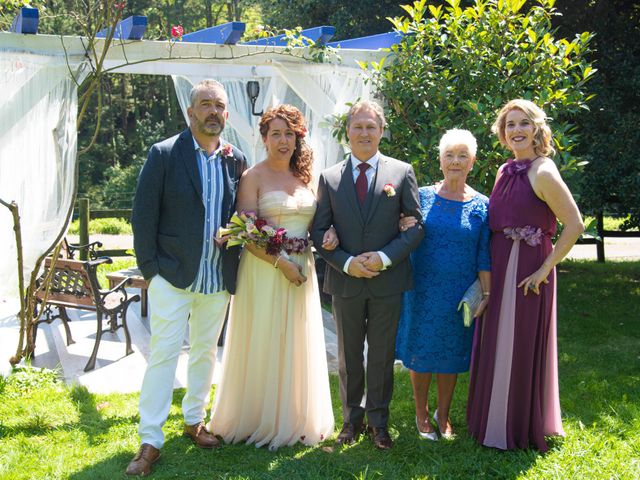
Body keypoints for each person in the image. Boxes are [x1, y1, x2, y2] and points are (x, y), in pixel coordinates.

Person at [127, 80, 248, 476]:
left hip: (217, 277)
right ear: (190, 112)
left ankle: (194, 420)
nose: (213, 111)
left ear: (226, 115)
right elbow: (143, 216)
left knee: (205, 352)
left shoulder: (236, 160)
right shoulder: (164, 154)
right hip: (173, 277)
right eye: (205, 104)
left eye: (220, 105)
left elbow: (242, 216)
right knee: (162, 354)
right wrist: (152, 273)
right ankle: (150, 440)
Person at [209, 105, 335, 450]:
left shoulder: (307, 177)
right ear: (264, 139)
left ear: (298, 138)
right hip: (265, 270)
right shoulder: (253, 177)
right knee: (264, 337)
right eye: (275, 134)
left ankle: (295, 416)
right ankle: (256, 416)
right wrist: (281, 263)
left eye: (289, 133)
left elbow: (318, 224)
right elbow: (247, 232)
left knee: (295, 338)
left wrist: (329, 236)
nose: (283, 140)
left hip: (301, 269)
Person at [467, 99, 584, 452]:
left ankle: (516, 423)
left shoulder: (544, 171)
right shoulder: (505, 170)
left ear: (536, 129)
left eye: (523, 123)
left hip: (529, 268)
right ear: (502, 134)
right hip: (501, 263)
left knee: (518, 341)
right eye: (509, 125)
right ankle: (492, 417)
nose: (516, 130)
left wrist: (545, 269)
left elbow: (574, 224)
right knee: (496, 339)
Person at [310, 100, 424, 450]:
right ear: (348, 132)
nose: (364, 133)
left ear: (381, 131)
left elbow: (415, 226)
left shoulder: (401, 172)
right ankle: (350, 421)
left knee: (381, 354)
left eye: (371, 127)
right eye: (358, 126)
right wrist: (345, 262)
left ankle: (379, 423)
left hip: (387, 280)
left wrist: (384, 258)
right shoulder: (329, 178)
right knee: (347, 356)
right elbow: (319, 232)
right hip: (345, 282)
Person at [396, 129, 491, 441]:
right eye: (449, 155)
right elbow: (401, 234)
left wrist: (486, 293)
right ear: (439, 161)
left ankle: (444, 414)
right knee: (422, 351)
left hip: (458, 294)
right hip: (421, 289)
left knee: (451, 354)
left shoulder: (482, 205)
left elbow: (484, 254)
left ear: (472, 162)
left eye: (462, 155)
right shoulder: (420, 196)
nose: (455, 161)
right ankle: (421, 414)